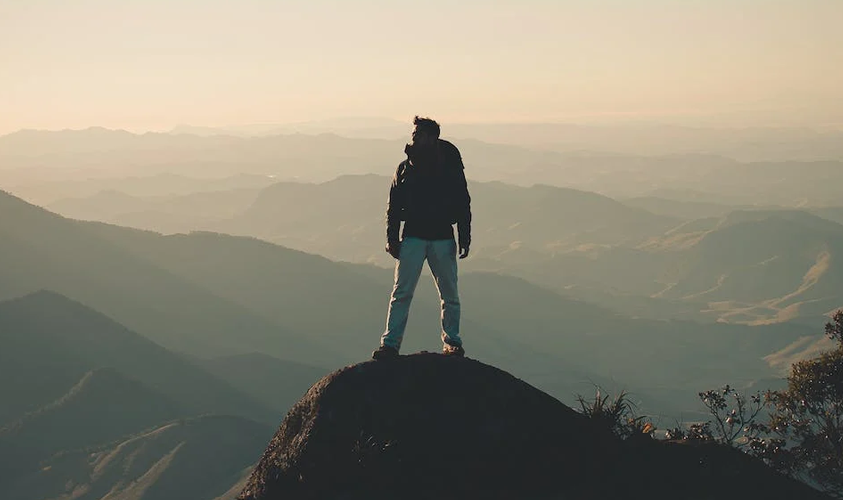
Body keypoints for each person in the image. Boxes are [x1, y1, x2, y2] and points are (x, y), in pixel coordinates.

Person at [372, 116, 472, 360]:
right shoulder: (405, 168)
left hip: (437, 238)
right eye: (414, 133)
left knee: (447, 295)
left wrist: (465, 236)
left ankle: (451, 343)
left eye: (418, 134)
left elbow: (462, 201)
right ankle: (390, 345)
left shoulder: (448, 166)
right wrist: (391, 238)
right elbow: (393, 206)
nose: (413, 137)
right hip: (417, 237)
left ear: (431, 137)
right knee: (403, 293)